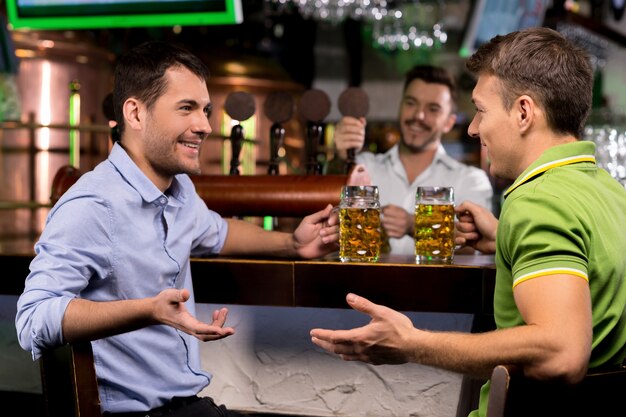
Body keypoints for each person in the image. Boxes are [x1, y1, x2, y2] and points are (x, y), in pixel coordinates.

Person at [310, 27, 626, 417]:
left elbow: (562, 352)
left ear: (523, 112)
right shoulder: (609, 192)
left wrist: (411, 343)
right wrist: (503, 238)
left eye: (481, 110)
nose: (474, 128)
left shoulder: (540, 200)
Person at [15, 40, 338, 417]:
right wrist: (147, 310)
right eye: (186, 108)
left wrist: (292, 244)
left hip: (187, 405)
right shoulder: (92, 205)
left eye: (205, 110)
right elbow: (33, 319)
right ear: (135, 114)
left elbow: (217, 232)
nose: (203, 126)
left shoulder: (178, 189)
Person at [327, 65, 493, 254]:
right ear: (400, 106)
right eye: (411, 103)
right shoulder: (364, 166)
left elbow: (473, 248)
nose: (418, 116)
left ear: (449, 122)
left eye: (433, 109)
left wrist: (415, 225)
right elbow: (328, 217)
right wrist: (340, 158)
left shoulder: (471, 179)